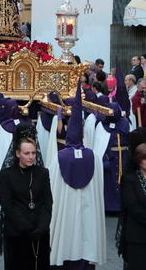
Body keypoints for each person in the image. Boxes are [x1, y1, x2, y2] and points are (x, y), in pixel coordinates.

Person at [48, 85, 106, 268]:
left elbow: (51, 186)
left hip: (66, 209)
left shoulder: (59, 158)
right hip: (89, 208)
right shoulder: (93, 157)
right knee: (86, 236)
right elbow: (98, 187)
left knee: (67, 237)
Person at [0, 136, 53, 270]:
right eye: (27, 153)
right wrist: (27, 227)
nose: (31, 157)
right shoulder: (7, 174)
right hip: (17, 233)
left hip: (40, 234)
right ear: (18, 154)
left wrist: (42, 227)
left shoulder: (43, 173)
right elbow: (7, 205)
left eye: (33, 153)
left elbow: (48, 203)